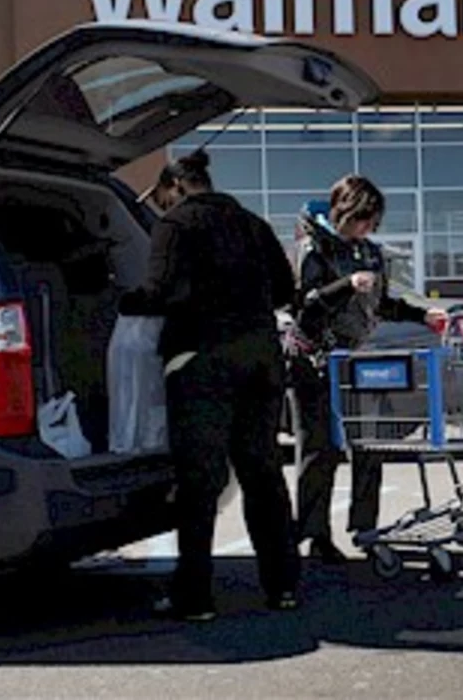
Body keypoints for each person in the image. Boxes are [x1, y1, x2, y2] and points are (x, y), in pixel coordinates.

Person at [119, 149, 301, 621]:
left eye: (161, 198)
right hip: (261, 361)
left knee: (199, 481)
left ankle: (196, 598)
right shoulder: (254, 224)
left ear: (176, 187)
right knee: (263, 474)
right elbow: (285, 290)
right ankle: (283, 587)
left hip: (201, 361)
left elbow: (159, 292)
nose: (161, 207)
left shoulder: (177, 225)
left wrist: (122, 301)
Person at [289, 174, 446, 563]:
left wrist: (422, 315)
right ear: (346, 213)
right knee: (319, 449)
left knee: (370, 442)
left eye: (373, 222)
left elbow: (382, 303)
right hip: (315, 361)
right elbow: (305, 309)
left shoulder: (370, 253)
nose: (369, 228)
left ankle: (365, 526)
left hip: (356, 360)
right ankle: (314, 535)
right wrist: (345, 285)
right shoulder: (314, 251)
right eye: (364, 219)